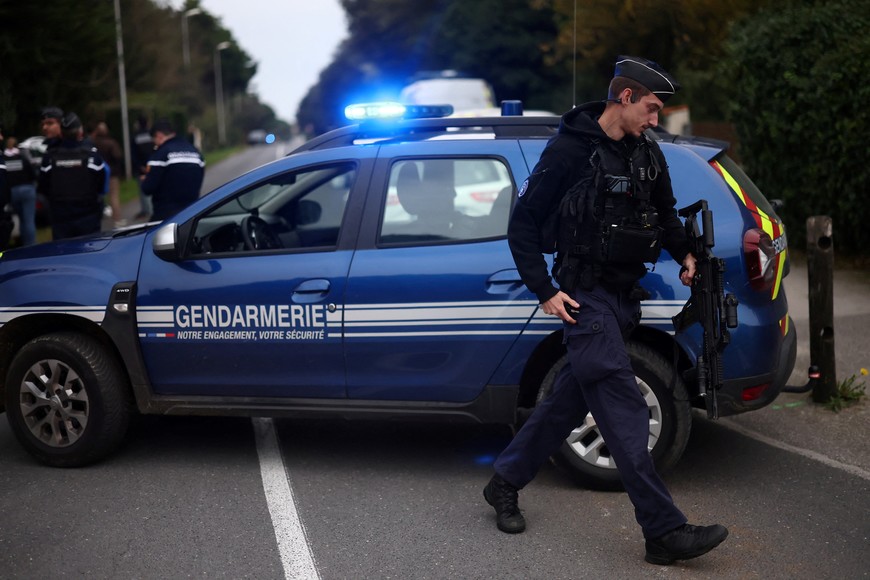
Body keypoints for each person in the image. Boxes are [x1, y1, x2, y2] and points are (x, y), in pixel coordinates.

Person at [483, 56, 728, 565]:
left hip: (622, 299)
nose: (655, 119)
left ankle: (504, 481)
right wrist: (545, 290)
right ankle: (663, 532)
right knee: (625, 408)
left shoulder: (646, 154)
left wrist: (683, 252)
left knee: (567, 403)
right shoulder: (568, 152)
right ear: (625, 98)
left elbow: (664, 213)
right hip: (584, 298)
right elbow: (522, 226)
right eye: (652, 108)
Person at [38, 112, 107, 240]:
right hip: (88, 218)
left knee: (64, 257)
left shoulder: (49, 158)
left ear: (61, 133)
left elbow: (43, 187)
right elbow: (101, 185)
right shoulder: (92, 157)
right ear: (80, 132)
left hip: (61, 220)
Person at [140, 118, 205, 221]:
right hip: (192, 215)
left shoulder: (160, 155)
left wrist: (146, 179)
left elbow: (148, 188)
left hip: (165, 216)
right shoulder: (195, 153)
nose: (155, 144)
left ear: (159, 135)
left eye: (154, 140)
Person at [3, 133, 38, 246]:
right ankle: (30, 246)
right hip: (27, 190)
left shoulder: (4, 160)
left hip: (12, 192)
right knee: (28, 221)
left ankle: (18, 243)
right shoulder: (22, 158)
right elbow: (32, 174)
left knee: (17, 219)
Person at [91, 121, 125, 227]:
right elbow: (118, 156)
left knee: (98, 197)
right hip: (112, 174)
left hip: (96, 173)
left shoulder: (93, 143)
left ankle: (97, 219)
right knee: (114, 196)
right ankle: (117, 220)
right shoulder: (111, 143)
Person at [130, 116, 154, 219]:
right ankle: (152, 209)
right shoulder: (152, 134)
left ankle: (146, 210)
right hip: (152, 166)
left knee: (143, 189)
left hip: (141, 168)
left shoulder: (135, 136)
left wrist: (140, 166)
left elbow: (133, 154)